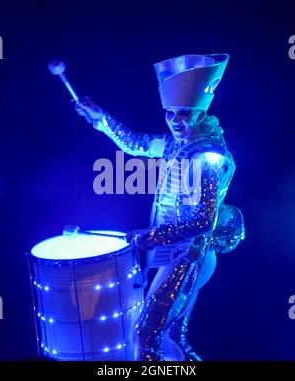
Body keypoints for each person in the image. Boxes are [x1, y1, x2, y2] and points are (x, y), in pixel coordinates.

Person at [75, 53, 245, 361]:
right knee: (171, 336)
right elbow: (136, 143)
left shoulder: (210, 156)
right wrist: (101, 118)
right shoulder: (174, 143)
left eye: (184, 113)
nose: (176, 122)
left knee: (146, 335)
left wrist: (151, 236)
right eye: (170, 114)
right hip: (172, 250)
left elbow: (204, 222)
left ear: (199, 111)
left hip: (189, 253)